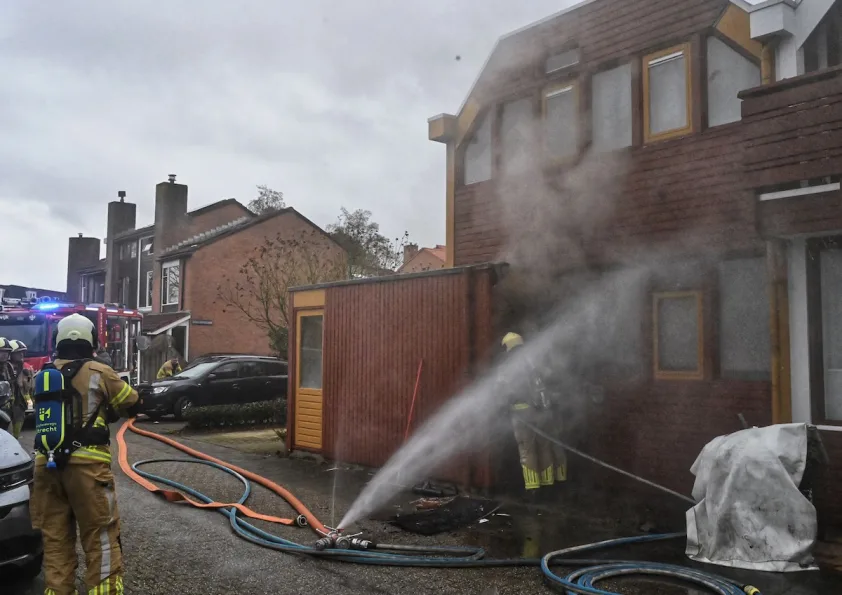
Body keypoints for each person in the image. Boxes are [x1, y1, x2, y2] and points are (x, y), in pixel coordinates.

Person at [30, 313, 141, 595]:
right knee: (100, 537)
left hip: (46, 467)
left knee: (55, 542)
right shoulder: (99, 371)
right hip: (88, 469)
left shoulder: (42, 375)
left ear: (58, 341)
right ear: (91, 340)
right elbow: (132, 402)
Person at [501, 332, 567, 501]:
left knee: (527, 450)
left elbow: (507, 392)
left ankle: (533, 490)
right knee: (545, 447)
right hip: (542, 412)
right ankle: (549, 485)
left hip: (522, 413)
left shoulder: (512, 366)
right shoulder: (533, 362)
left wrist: (505, 405)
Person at [8, 339, 33, 438]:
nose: (22, 355)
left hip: (19, 403)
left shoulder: (25, 368)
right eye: (18, 353)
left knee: (18, 424)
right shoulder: (5, 368)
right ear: (11, 354)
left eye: (23, 352)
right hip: (7, 404)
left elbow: (29, 387)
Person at [0, 338, 17, 430]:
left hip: (7, 406)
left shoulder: (9, 367)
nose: (5, 355)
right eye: (2, 352)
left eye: (7, 352)